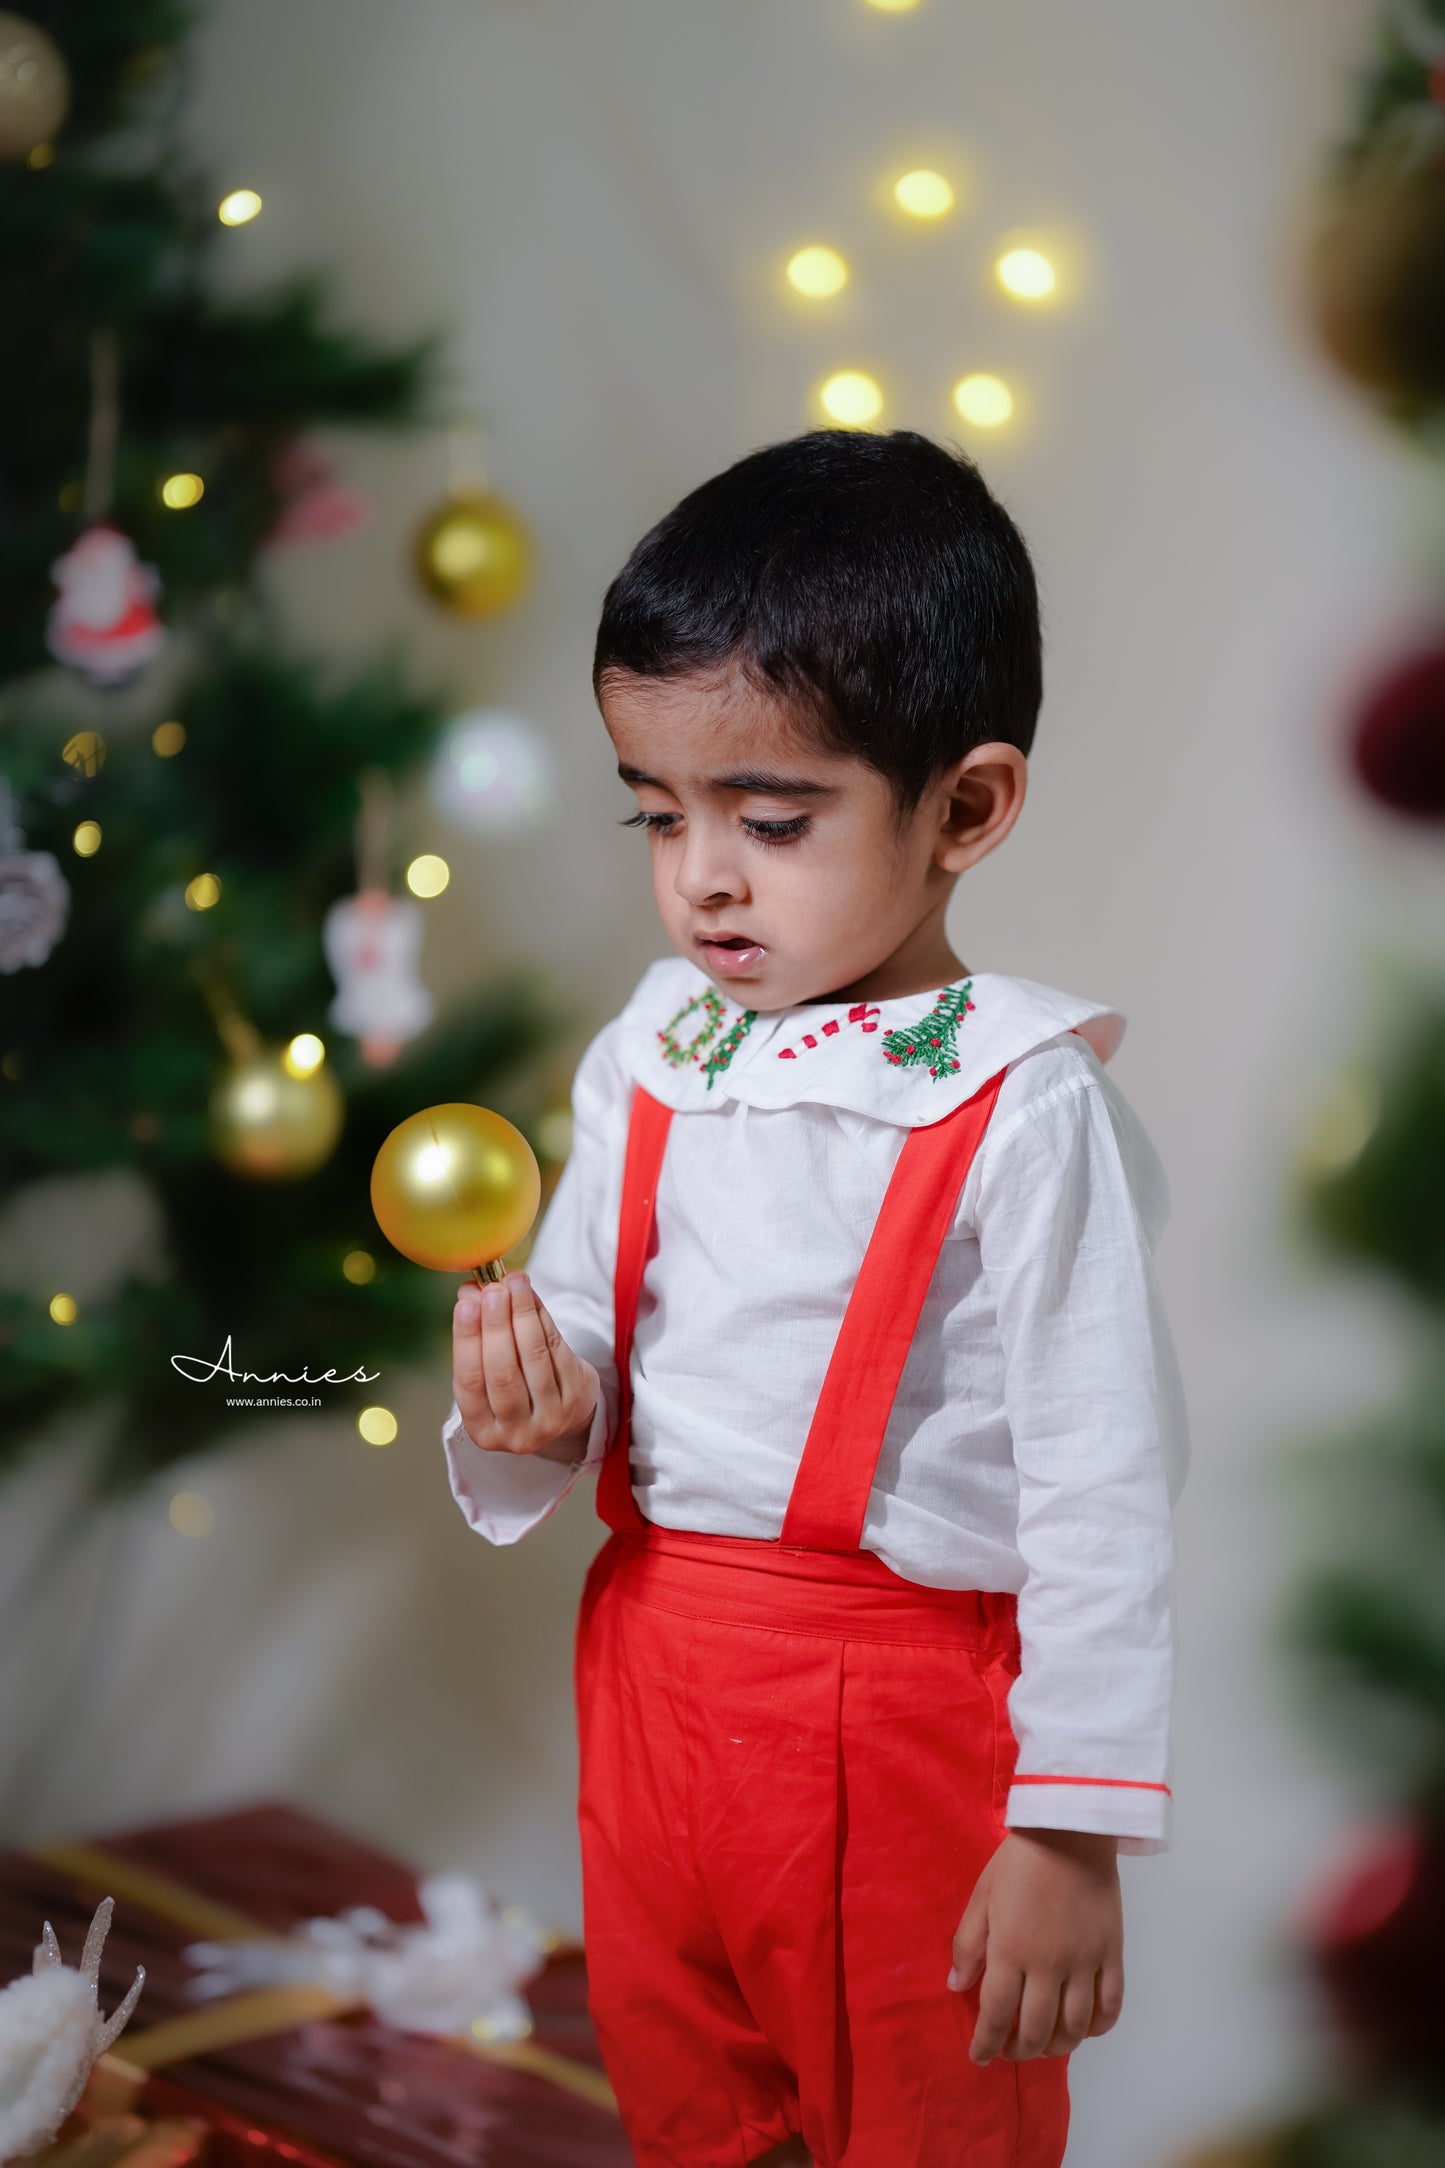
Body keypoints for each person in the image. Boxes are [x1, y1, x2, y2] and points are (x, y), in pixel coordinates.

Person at [442, 428, 1189, 2168]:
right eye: (657, 810)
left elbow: (1098, 1483)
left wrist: (1068, 1831)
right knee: (686, 2098)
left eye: (769, 818)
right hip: (650, 1667)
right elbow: (586, 1329)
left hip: (897, 1700)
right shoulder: (653, 1047)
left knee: (921, 2117)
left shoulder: (1013, 1095)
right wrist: (530, 1411)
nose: (702, 871)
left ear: (965, 808)